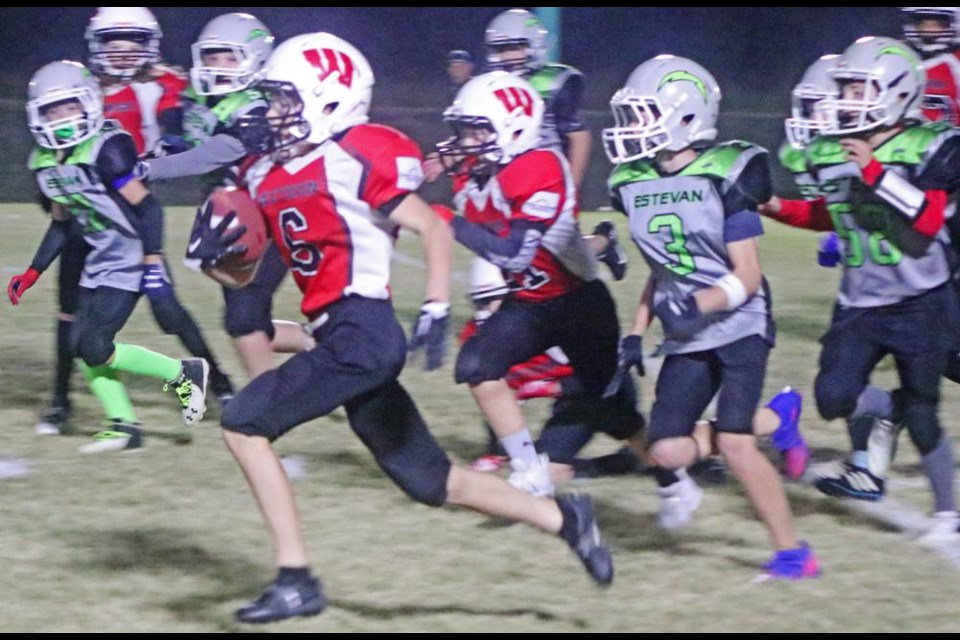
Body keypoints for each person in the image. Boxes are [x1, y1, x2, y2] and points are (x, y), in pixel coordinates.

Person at [191, 32, 614, 624]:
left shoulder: (353, 155)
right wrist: (215, 259)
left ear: (327, 99)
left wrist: (437, 305)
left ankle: (296, 578)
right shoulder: (267, 175)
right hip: (338, 336)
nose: (274, 113)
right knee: (433, 481)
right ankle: (565, 519)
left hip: (363, 332)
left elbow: (432, 227)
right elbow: (249, 281)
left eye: (286, 99)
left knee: (242, 423)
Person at [603, 54, 820, 580]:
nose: (631, 128)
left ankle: (794, 552)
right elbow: (664, 269)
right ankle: (778, 417)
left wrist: (694, 307)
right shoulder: (633, 181)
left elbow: (746, 275)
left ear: (684, 117)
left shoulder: (727, 173)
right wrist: (636, 333)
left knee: (740, 448)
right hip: (686, 332)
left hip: (740, 323)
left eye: (644, 114)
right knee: (669, 449)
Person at [760, 37, 960, 544]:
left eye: (857, 87)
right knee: (833, 397)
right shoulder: (830, 150)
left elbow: (929, 216)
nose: (846, 97)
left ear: (895, 91)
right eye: (845, 87)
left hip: (921, 299)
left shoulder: (929, 144)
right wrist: (778, 209)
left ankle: (946, 515)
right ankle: (881, 421)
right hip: (860, 302)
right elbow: (834, 213)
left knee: (924, 411)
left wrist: (873, 168)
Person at [32, 7, 233, 436]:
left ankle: (219, 382)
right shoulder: (76, 85)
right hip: (86, 209)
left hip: (127, 208)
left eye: (134, 43)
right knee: (70, 312)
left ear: (151, 43)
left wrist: (178, 143)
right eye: (112, 43)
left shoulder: (170, 83)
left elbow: (190, 119)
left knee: (166, 307)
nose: (123, 53)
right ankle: (60, 399)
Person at [9, 60, 209, 453]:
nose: (60, 117)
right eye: (51, 110)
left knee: (95, 345)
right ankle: (123, 426)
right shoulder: (46, 164)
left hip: (129, 258)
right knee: (80, 343)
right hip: (98, 261)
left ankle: (182, 373)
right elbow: (62, 225)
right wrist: (33, 271)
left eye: (67, 107)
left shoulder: (106, 150)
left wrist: (152, 259)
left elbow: (149, 208)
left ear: (87, 104)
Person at [144, 12, 313, 382]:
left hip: (273, 218)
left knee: (242, 319)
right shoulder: (207, 102)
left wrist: (149, 169)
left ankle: (264, 403)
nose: (217, 66)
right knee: (246, 321)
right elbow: (190, 139)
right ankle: (320, 345)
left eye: (229, 57)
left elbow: (216, 152)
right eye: (211, 57)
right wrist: (167, 145)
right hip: (235, 217)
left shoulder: (256, 107)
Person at [901, 6, 960, 125]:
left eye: (937, 24)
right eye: (922, 23)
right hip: (908, 138)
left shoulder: (955, 61)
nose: (928, 29)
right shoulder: (900, 58)